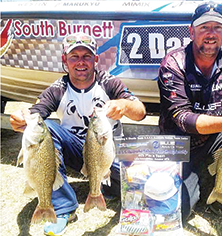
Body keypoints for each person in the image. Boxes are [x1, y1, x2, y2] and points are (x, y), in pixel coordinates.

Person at [10, 32, 146, 235]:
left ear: (96, 59)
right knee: (47, 128)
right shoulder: (58, 88)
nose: (80, 62)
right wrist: (20, 117)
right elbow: (35, 113)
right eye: (74, 56)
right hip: (76, 152)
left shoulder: (109, 82)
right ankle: (63, 207)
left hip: (108, 154)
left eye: (86, 56)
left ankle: (105, 187)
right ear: (65, 60)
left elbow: (141, 112)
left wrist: (125, 105)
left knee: (145, 186)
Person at [157, 1, 222, 233]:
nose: (210, 33)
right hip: (178, 145)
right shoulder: (173, 62)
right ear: (191, 31)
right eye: (204, 27)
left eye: (217, 27)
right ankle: (203, 184)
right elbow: (182, 119)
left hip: (216, 138)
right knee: (178, 212)